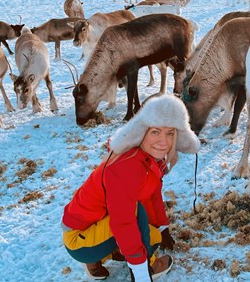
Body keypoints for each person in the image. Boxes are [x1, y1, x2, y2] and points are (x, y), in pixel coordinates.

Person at [61, 93, 200, 281]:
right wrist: (141, 272)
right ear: (141, 131)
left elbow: (152, 195)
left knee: (150, 231)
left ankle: (96, 260)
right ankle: (146, 266)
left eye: (170, 133)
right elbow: (124, 221)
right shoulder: (127, 165)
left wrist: (162, 227)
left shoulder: (146, 159)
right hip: (79, 240)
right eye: (155, 132)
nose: (163, 142)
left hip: (88, 227)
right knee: (139, 222)